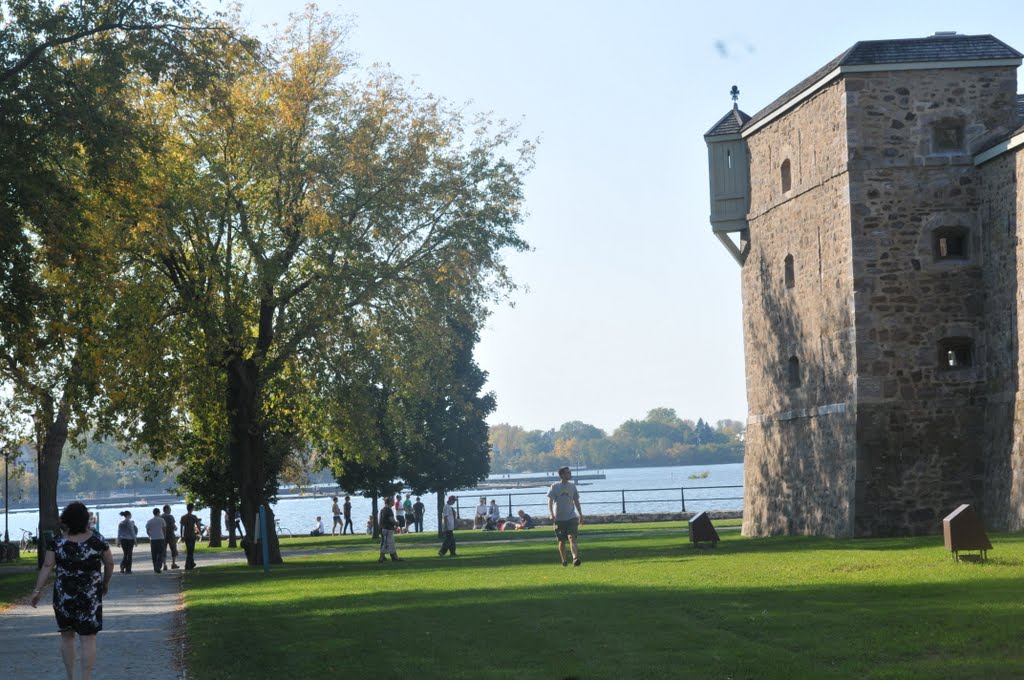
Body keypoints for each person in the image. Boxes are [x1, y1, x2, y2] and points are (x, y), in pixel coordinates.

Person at [30, 501, 114, 680]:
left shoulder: (57, 542)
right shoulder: (97, 540)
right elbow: (109, 563)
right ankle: (85, 677)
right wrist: (105, 583)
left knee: (67, 637)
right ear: (86, 519)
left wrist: (37, 590)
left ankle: (71, 677)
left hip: (64, 595)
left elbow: (47, 565)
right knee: (88, 638)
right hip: (90, 594)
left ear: (66, 520)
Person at [547, 465, 584, 567]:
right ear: (562, 475)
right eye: (567, 473)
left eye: (569, 472)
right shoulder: (555, 486)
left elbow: (576, 501)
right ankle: (564, 560)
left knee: (572, 538)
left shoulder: (572, 487)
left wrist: (580, 515)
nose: (570, 474)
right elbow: (550, 501)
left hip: (571, 517)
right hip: (559, 519)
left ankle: (575, 558)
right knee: (562, 541)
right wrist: (551, 514)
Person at [377, 494, 401, 563]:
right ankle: (381, 558)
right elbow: (391, 519)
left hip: (384, 529)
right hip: (388, 529)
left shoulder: (383, 509)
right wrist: (396, 523)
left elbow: (380, 520)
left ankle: (395, 557)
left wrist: (380, 529)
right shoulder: (389, 510)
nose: (394, 501)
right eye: (392, 500)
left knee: (391, 544)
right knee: (386, 544)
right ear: (390, 502)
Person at [179, 503, 202, 570]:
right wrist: (200, 532)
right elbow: (198, 525)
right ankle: (187, 565)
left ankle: (191, 563)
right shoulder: (194, 517)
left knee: (189, 550)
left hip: (186, 535)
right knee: (191, 550)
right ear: (192, 509)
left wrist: (181, 535)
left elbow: (181, 527)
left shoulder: (183, 517)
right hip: (192, 535)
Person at [145, 508, 167, 573]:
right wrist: (164, 536)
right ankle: (158, 566)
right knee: (160, 553)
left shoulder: (149, 521)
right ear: (159, 512)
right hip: (160, 538)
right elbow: (164, 529)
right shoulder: (162, 520)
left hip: (153, 539)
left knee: (154, 554)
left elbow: (147, 530)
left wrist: (150, 536)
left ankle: (155, 567)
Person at [161, 504, 179, 570]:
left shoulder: (161, 517)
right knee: (173, 549)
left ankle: (164, 565)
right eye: (170, 509)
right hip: (170, 534)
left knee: (163, 550)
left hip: (163, 535)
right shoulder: (170, 516)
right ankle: (173, 563)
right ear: (167, 509)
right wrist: (175, 528)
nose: (170, 510)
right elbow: (173, 525)